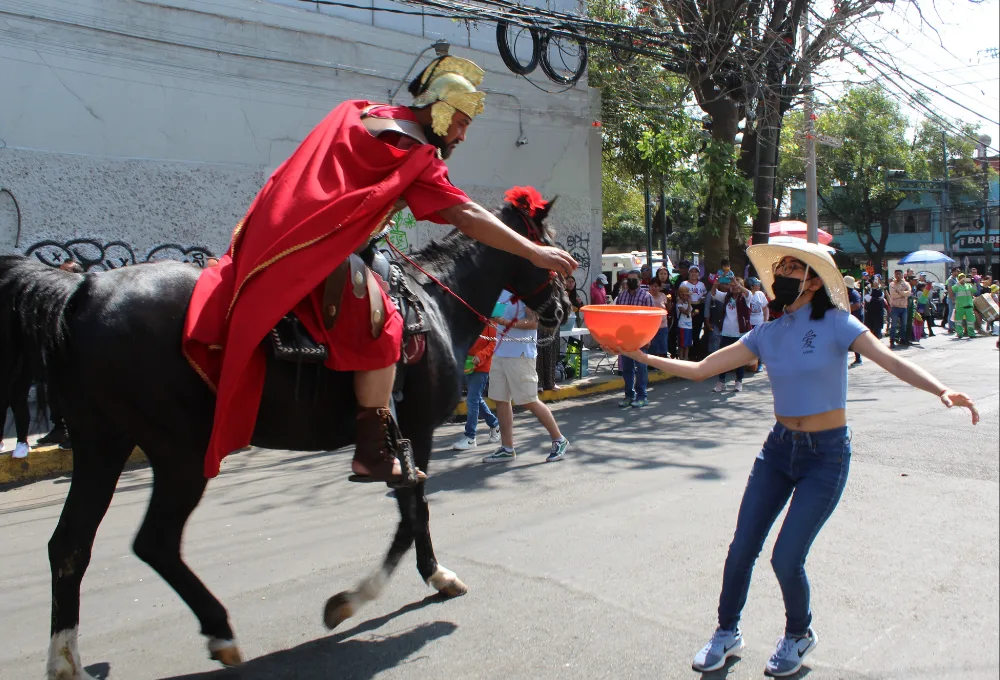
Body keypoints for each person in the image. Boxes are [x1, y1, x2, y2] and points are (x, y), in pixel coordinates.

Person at [182, 55, 576, 485]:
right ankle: (371, 452)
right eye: (461, 122)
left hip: (288, 232)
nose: (462, 135)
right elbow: (464, 213)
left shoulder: (367, 113)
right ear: (439, 109)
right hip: (320, 247)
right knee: (386, 324)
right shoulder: (411, 150)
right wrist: (533, 252)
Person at [597, 241, 978, 678]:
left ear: (813, 281)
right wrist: (641, 356)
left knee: (785, 557)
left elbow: (890, 360)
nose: (782, 273)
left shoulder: (839, 323)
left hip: (825, 456)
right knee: (742, 548)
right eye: (780, 267)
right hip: (778, 450)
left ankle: (798, 633)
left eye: (793, 268)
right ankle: (727, 631)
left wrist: (941, 389)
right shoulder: (768, 333)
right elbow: (703, 369)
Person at [482, 291, 569, 463]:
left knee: (529, 400)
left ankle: (559, 439)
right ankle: (507, 448)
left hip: (521, 354)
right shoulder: (500, 290)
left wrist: (504, 322)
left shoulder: (526, 291)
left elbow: (533, 323)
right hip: (500, 352)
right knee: (501, 399)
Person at [451, 323, 501, 451]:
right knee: (476, 399)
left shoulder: (492, 321)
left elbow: (494, 343)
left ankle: (470, 437)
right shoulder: (471, 319)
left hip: (482, 367)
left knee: (472, 399)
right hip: (468, 364)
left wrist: (480, 356)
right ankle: (495, 424)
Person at [615, 269, 654, 408]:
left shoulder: (646, 297)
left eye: (634, 279)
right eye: (629, 279)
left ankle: (642, 396)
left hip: (640, 337)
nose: (631, 282)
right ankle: (629, 396)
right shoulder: (622, 296)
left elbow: (650, 320)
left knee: (641, 367)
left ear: (640, 281)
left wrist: (648, 338)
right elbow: (617, 316)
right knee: (627, 368)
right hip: (625, 337)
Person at [887, 269, 911, 348]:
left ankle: (902, 339)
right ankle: (892, 340)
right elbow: (893, 295)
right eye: (896, 274)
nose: (898, 276)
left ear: (902, 275)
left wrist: (899, 292)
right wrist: (903, 294)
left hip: (904, 307)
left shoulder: (906, 284)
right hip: (895, 307)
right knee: (893, 325)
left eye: (899, 274)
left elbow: (909, 293)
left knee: (904, 325)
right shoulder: (892, 284)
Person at [647, 278, 671, 357]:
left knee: (662, 346)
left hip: (662, 325)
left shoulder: (663, 295)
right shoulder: (646, 296)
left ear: (660, 287)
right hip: (650, 326)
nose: (654, 288)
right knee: (651, 347)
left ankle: (662, 363)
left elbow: (668, 309)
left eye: (656, 286)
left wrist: (669, 301)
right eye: (652, 286)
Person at [844, 276, 864, 366]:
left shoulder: (854, 294)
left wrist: (844, 308)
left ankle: (858, 359)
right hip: (849, 318)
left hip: (856, 318)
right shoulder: (846, 293)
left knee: (855, 339)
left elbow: (856, 305)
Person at [952, 273, 978, 339]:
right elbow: (953, 289)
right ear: (959, 279)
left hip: (969, 306)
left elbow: (974, 290)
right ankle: (959, 333)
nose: (963, 279)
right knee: (958, 321)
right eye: (961, 278)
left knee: (970, 321)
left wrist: (973, 283)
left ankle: (971, 334)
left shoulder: (968, 285)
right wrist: (959, 282)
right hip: (960, 306)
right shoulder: (957, 286)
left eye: (964, 277)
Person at [674, 286, 694, 361]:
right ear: (681, 295)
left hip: (689, 326)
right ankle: (681, 358)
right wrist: (689, 304)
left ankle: (686, 358)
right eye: (687, 295)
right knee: (682, 344)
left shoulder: (687, 303)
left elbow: (690, 314)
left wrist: (694, 313)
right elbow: (686, 312)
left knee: (687, 344)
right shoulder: (679, 304)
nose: (688, 297)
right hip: (682, 326)